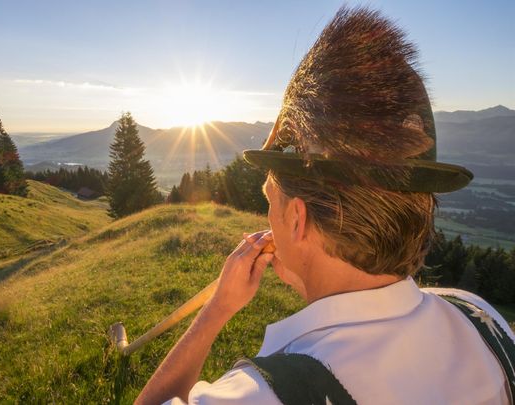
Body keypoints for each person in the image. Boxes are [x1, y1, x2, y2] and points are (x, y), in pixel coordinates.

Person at [135, 6, 515, 405]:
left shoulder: (264, 395)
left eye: (270, 200)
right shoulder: (479, 318)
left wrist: (216, 311)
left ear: (297, 218)